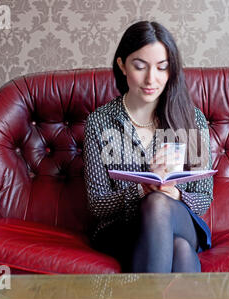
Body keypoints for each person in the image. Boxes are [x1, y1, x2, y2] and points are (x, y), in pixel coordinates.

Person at [84, 21, 213, 273]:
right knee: (180, 249)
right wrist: (141, 190)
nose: (150, 79)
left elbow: (204, 197)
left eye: (162, 68)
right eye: (140, 66)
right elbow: (97, 205)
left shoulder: (192, 119)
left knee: (159, 204)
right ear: (122, 65)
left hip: (179, 220)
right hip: (122, 230)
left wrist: (174, 194)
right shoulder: (99, 122)